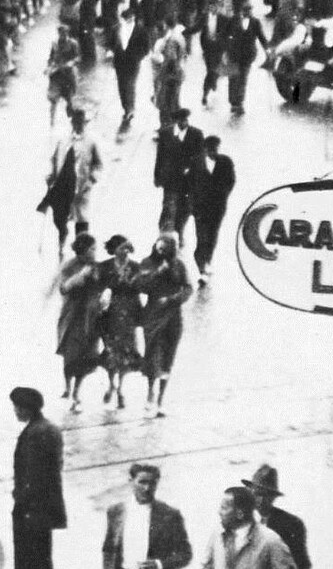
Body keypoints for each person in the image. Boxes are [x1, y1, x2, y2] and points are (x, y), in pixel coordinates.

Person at [135, 234, 192, 417]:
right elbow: (141, 286)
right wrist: (158, 272)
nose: (160, 252)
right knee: (153, 355)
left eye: (164, 249)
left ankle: (160, 400)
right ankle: (150, 396)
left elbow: (188, 288)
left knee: (168, 357)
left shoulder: (179, 265)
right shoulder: (147, 263)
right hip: (153, 315)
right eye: (158, 249)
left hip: (173, 316)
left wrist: (172, 299)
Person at [10, 387, 66, 569]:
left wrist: (21, 498)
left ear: (26, 408)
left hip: (32, 511)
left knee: (30, 560)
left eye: (17, 407)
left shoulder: (35, 433)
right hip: (44, 510)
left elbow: (34, 475)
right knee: (42, 557)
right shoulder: (48, 428)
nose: (15, 411)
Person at [101, 463, 192, 569]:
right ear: (131, 482)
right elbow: (108, 549)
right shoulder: (115, 512)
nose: (147, 488)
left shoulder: (170, 515)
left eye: (152, 483)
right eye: (142, 482)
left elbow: (185, 554)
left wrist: (159, 564)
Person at [38, 108, 103, 253]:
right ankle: (62, 240)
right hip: (63, 184)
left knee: (81, 218)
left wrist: (91, 181)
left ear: (85, 123)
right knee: (60, 217)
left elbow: (98, 165)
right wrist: (51, 175)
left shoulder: (91, 142)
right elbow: (54, 159)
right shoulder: (63, 140)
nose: (78, 125)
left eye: (81, 123)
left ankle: (82, 250)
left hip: (82, 186)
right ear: (72, 122)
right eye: (75, 122)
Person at [56, 233, 103, 409]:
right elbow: (63, 288)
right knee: (71, 355)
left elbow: (102, 286)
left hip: (90, 317)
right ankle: (68, 387)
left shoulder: (96, 267)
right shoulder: (70, 266)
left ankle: (76, 392)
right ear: (83, 250)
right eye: (92, 249)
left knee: (87, 354)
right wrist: (80, 276)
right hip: (72, 316)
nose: (94, 252)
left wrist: (103, 297)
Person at [96, 235, 143, 408]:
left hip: (128, 313)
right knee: (110, 350)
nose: (125, 251)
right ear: (114, 249)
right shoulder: (105, 267)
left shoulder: (136, 267)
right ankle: (111, 384)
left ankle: (121, 388)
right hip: (110, 314)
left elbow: (140, 289)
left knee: (126, 351)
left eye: (126, 247)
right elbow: (97, 288)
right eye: (121, 248)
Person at [200, 487, 295, 569]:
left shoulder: (270, 541)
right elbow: (206, 566)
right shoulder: (217, 535)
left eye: (224, 508)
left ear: (240, 514)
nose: (219, 512)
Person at [242, 465, 310, 569]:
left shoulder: (291, 524)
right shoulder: (244, 522)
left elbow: (302, 563)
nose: (260, 499)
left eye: (265, 495)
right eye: (256, 493)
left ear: (273, 497)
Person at [190, 135, 235, 284]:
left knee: (212, 236)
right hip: (201, 208)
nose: (213, 152)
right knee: (201, 238)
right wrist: (192, 203)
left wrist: (223, 195)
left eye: (216, 149)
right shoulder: (196, 162)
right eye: (210, 150)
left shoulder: (226, 162)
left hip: (218, 207)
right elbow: (189, 184)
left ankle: (207, 261)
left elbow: (231, 181)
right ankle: (202, 268)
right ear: (205, 149)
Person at [154, 108, 202, 244]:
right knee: (168, 205)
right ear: (176, 121)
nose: (184, 123)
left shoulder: (196, 134)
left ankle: (180, 232)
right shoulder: (165, 134)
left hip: (188, 181)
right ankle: (164, 234)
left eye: (186, 120)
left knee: (184, 208)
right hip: (170, 178)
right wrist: (157, 176)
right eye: (181, 120)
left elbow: (200, 159)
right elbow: (160, 157)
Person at [111, 7, 149, 138]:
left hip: (133, 63)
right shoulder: (118, 29)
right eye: (126, 19)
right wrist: (112, 52)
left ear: (133, 18)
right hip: (120, 62)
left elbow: (146, 47)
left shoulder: (141, 30)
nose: (128, 20)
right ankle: (126, 107)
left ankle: (130, 109)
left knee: (130, 85)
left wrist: (138, 57)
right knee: (121, 86)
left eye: (130, 18)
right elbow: (112, 42)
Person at [225, 3, 268, 115]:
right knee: (233, 78)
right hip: (234, 55)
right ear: (241, 11)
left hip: (248, 56)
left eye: (249, 11)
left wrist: (267, 50)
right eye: (245, 11)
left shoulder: (255, 22)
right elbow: (224, 34)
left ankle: (240, 103)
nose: (248, 13)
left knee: (243, 79)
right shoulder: (234, 20)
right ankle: (233, 102)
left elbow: (261, 37)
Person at [46, 25, 80, 127]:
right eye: (61, 33)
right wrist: (49, 66)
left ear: (67, 33)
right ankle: (52, 124)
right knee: (53, 100)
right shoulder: (55, 44)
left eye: (65, 33)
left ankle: (75, 123)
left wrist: (71, 62)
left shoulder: (73, 44)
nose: (63, 35)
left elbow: (78, 58)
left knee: (70, 101)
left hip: (68, 76)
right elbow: (51, 58)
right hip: (56, 76)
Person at [196, 2, 228, 107]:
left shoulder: (223, 18)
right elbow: (197, 29)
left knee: (212, 71)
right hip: (208, 49)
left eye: (215, 7)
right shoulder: (204, 17)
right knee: (210, 70)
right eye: (211, 7)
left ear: (218, 8)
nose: (213, 9)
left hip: (218, 49)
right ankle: (208, 89)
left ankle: (206, 92)